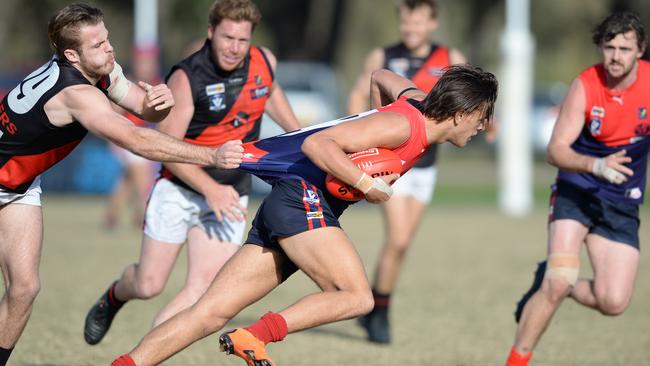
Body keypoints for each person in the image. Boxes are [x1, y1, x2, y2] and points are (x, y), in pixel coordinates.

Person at [108, 64, 497, 366]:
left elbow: (380, 76)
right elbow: (317, 145)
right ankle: (256, 335)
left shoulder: (413, 100)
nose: (483, 126)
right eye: (482, 116)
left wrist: (364, 127)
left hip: (292, 202)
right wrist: (367, 181)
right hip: (302, 199)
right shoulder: (401, 125)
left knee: (209, 314)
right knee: (358, 297)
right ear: (461, 113)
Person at [0, 3, 244, 366]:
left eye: (107, 39)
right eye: (97, 45)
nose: (109, 49)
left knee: (24, 288)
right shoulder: (76, 95)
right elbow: (137, 140)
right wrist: (211, 156)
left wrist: (161, 102)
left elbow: (143, 110)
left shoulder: (99, 70)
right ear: (71, 54)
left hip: (17, 185)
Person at [83, 0, 300, 346]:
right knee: (149, 284)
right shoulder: (188, 76)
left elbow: (276, 104)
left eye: (243, 41)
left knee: (202, 290)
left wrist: (305, 146)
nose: (234, 48)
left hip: (231, 191)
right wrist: (210, 189)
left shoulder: (265, 63)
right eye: (227, 37)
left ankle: (143, 357)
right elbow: (166, 152)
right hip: (179, 188)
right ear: (211, 32)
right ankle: (115, 296)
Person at [506, 12, 649, 366]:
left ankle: (551, 280)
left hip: (621, 203)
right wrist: (595, 165)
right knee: (558, 280)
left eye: (625, 49)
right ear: (601, 47)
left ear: (640, 51)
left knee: (613, 301)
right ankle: (515, 361)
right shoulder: (586, 85)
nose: (616, 56)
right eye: (609, 47)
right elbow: (556, 149)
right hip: (577, 192)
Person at [347, 0, 465, 343]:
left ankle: (377, 304)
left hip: (427, 165)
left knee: (401, 245)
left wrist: (487, 121)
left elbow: (468, 97)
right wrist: (360, 135)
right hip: (392, 163)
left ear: (432, 23)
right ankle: (378, 313)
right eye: (405, 22)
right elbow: (358, 93)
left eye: (418, 23)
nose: (410, 29)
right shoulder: (381, 56)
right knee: (397, 238)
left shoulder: (449, 57)